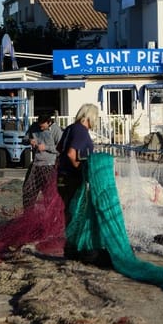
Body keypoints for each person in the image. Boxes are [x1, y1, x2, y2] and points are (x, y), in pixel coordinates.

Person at [56, 103, 99, 262]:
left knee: (68, 211)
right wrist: (81, 168)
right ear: (90, 117)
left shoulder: (70, 128)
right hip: (72, 178)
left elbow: (59, 148)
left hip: (62, 176)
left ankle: (70, 246)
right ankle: (72, 247)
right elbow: (70, 153)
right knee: (75, 212)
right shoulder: (81, 130)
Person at [22, 113, 57, 208]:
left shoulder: (56, 130)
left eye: (43, 126)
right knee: (28, 191)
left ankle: (50, 213)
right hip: (35, 165)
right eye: (39, 126)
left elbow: (61, 148)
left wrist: (46, 147)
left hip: (50, 165)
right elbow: (24, 140)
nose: (41, 128)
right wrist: (29, 140)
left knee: (49, 193)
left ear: (49, 123)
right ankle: (28, 213)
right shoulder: (34, 127)